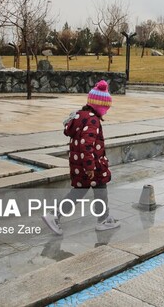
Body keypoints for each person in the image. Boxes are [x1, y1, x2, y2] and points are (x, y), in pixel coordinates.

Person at [42, 80, 120, 235]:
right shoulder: (93, 120)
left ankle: (56, 215)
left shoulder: (81, 116)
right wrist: (90, 167)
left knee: (83, 191)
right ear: (100, 106)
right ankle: (102, 220)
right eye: (106, 107)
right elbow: (86, 144)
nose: (106, 111)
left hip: (79, 164)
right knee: (98, 191)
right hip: (91, 166)